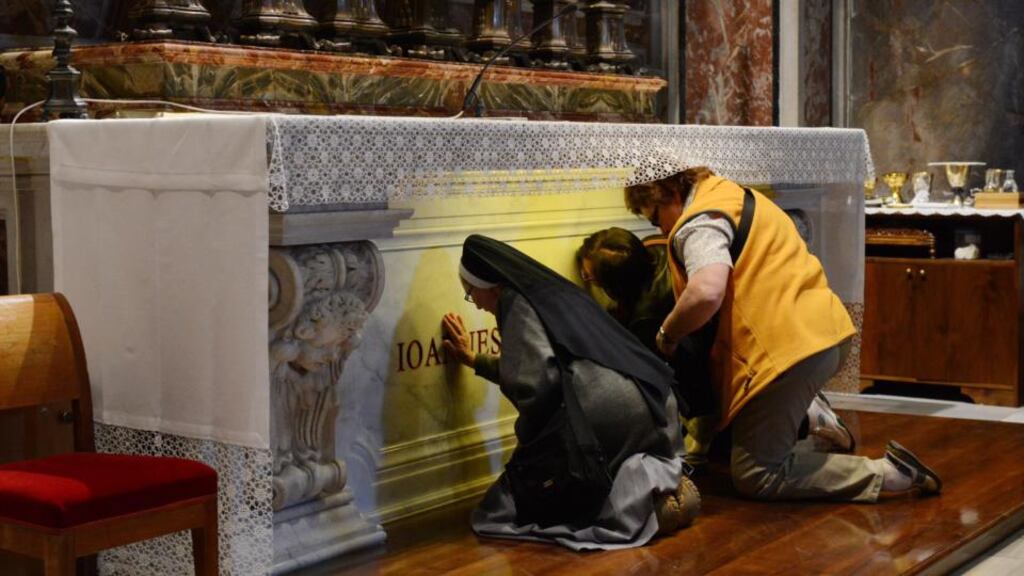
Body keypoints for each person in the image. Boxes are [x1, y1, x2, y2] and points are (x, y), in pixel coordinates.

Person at [621, 165, 941, 501]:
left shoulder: (700, 222)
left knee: (757, 473)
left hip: (787, 355)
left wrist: (668, 333)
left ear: (669, 194)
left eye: (655, 218)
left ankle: (891, 475)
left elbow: (706, 292)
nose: (661, 227)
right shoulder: (734, 194)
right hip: (824, 333)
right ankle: (811, 414)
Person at [441, 234, 699, 550]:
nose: (477, 304)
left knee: (500, 509)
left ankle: (646, 511)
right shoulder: (551, 289)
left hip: (605, 415)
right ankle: (665, 494)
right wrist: (474, 359)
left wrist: (526, 452)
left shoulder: (514, 302)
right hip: (652, 403)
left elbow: (535, 386)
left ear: (489, 286)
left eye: (471, 294)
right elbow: (540, 368)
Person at [577, 227, 856, 469]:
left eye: (590, 278)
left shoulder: (645, 318)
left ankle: (811, 419)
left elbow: (675, 374)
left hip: (725, 377)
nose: (586, 280)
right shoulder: (660, 246)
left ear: (614, 285)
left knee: (747, 456)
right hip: (757, 345)